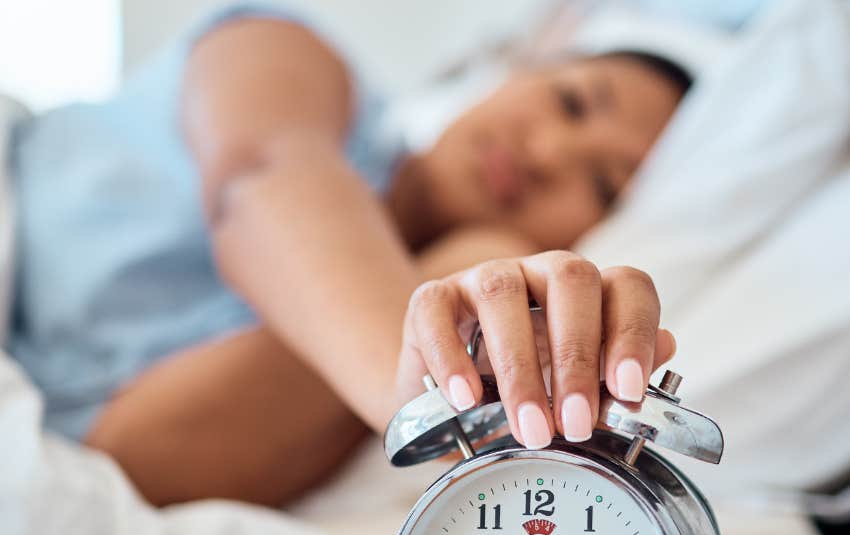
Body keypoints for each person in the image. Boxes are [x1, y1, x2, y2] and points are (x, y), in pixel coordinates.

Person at [7, 5, 690, 506]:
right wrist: (422, 372)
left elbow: (122, 464)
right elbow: (259, 177)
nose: (546, 154)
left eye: (602, 186)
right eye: (569, 103)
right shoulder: (290, 53)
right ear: (516, 73)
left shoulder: (401, 334)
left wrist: (471, 275)